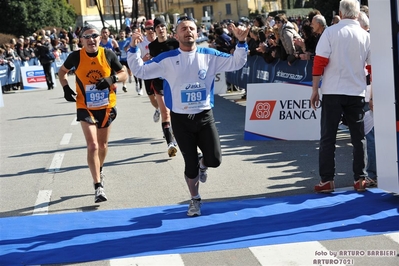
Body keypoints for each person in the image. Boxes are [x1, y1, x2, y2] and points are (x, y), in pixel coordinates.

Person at [127, 16, 249, 216]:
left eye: (191, 28)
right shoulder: (167, 59)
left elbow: (237, 62)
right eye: (183, 29)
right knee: (189, 165)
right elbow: (140, 70)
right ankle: (195, 199)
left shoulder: (209, 55)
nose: (188, 31)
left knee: (215, 159)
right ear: (176, 35)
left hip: (204, 116)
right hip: (181, 120)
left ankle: (204, 165)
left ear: (197, 33)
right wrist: (133, 49)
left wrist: (242, 43)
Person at [57, 24, 128, 203]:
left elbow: (124, 73)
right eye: (87, 37)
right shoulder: (75, 57)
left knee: (103, 146)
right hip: (85, 105)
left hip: (106, 106)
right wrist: (65, 88)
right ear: (81, 40)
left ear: (99, 38)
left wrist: (112, 78)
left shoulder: (108, 54)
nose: (91, 40)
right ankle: (98, 186)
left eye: (94, 35)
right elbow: (62, 72)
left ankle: (99, 169)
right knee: (93, 146)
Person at [310, 0, 371, 193]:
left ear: (340, 13)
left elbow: (319, 62)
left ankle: (327, 180)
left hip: (333, 90)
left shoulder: (331, 32)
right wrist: (372, 94)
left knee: (328, 137)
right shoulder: (365, 35)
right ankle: (360, 178)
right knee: (358, 137)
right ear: (357, 14)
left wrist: (314, 89)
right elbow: (371, 67)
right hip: (356, 91)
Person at [147, 17, 180, 157]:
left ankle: (177, 135)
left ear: (166, 28)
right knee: (165, 113)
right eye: (158, 27)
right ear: (155, 30)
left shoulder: (175, 42)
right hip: (159, 82)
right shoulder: (152, 46)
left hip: (175, 82)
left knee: (176, 113)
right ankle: (170, 143)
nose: (161, 29)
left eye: (163, 26)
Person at [136, 19, 160, 122]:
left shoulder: (160, 40)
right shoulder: (141, 43)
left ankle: (167, 123)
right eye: (147, 29)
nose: (150, 31)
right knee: (152, 98)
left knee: (164, 99)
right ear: (144, 30)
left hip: (160, 73)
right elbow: (136, 60)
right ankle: (159, 109)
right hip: (147, 73)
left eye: (152, 28)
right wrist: (143, 59)